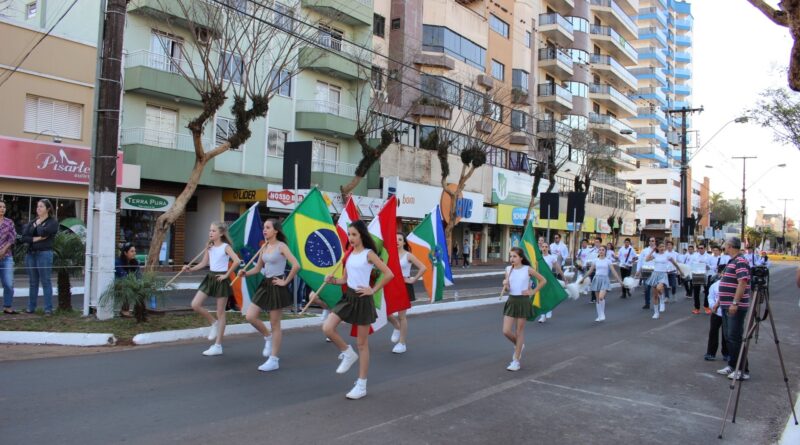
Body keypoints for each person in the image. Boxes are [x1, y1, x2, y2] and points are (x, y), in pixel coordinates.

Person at [320, 220, 395, 400]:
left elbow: (389, 274)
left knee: (362, 344)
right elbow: (345, 280)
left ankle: (361, 385)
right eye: (349, 235)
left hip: (363, 299)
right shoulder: (349, 254)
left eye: (354, 234)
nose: (351, 238)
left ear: (361, 235)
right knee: (327, 328)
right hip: (348, 297)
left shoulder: (369, 254)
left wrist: (373, 289)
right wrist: (332, 280)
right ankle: (347, 352)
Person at [239, 219, 300, 372]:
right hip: (264, 284)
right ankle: (267, 336)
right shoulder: (264, 246)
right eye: (264, 227)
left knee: (275, 324)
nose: (264, 230)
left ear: (276, 231)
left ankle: (274, 359)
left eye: (268, 228)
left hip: (276, 285)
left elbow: (296, 265)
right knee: (250, 316)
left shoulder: (282, 246)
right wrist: (245, 273)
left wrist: (285, 282)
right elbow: (258, 268)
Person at [185, 222, 242, 357]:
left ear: (221, 233)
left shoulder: (225, 247)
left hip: (221, 278)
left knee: (221, 312)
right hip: (210, 277)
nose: (210, 233)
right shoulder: (209, 246)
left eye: (213, 231)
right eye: (210, 230)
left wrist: (227, 275)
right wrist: (190, 268)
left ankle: (218, 346)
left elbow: (237, 261)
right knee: (195, 304)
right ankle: (213, 323)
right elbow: (204, 263)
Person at [501, 247, 547, 371]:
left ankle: (516, 361)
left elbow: (543, 280)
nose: (512, 259)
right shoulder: (508, 269)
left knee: (519, 331)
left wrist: (532, 292)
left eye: (515, 256)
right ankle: (519, 345)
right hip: (512, 300)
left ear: (521, 257)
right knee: (505, 331)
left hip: (523, 301)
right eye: (511, 256)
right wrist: (505, 285)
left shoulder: (527, 269)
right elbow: (508, 289)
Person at [716, 237, 752, 381]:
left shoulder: (740, 261)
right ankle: (732, 365)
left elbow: (742, 282)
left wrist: (735, 303)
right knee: (728, 337)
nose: (724, 247)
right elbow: (726, 282)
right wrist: (719, 302)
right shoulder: (732, 261)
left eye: (725, 245)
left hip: (735, 307)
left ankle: (742, 369)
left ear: (730, 246)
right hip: (726, 305)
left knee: (735, 337)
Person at [388, 232, 427, 354]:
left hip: (404, 286)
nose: (397, 241)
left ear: (404, 242)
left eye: (400, 239)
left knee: (401, 316)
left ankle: (402, 343)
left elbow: (423, 267)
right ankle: (396, 327)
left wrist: (413, 279)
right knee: (385, 311)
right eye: (395, 239)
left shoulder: (408, 255)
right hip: (391, 285)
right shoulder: (389, 254)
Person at [20, 199, 59, 315]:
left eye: (41, 206)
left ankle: (48, 309)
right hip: (31, 254)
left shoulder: (52, 222)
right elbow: (23, 237)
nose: (38, 209)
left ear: (48, 209)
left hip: (44, 254)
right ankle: (31, 307)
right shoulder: (33, 221)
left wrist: (38, 227)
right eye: (37, 207)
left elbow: (44, 233)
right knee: (33, 282)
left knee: (45, 281)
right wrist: (35, 238)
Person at [640, 242, 681, 320]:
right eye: (660, 246)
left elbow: (675, 264)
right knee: (655, 295)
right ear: (657, 248)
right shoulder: (655, 255)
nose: (662, 248)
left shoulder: (667, 255)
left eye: (663, 246)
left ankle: (662, 299)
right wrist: (652, 251)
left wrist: (681, 272)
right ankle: (656, 313)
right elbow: (646, 259)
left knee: (659, 288)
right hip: (655, 274)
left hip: (663, 275)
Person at [585, 246, 623, 322]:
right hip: (597, 279)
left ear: (605, 251)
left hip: (605, 279)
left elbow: (613, 271)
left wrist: (620, 281)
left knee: (601, 297)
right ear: (598, 251)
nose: (601, 251)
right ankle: (599, 315)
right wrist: (583, 278)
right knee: (597, 299)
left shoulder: (608, 261)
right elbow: (590, 271)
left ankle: (602, 314)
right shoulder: (595, 260)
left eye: (603, 250)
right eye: (600, 250)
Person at [705, 265, 729, 362]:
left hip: (727, 313)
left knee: (726, 334)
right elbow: (710, 297)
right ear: (719, 274)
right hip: (716, 313)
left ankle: (726, 353)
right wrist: (712, 306)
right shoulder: (714, 285)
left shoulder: (732, 286)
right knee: (713, 333)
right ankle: (711, 353)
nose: (725, 274)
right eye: (723, 272)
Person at [536, 242, 562, 323]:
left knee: (548, 296)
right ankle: (542, 316)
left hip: (548, 279)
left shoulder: (551, 258)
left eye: (546, 247)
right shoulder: (538, 258)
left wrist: (564, 277)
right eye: (543, 247)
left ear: (548, 248)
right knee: (541, 297)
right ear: (541, 248)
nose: (544, 248)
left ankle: (549, 310)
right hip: (540, 280)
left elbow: (558, 268)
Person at [0, 200, 17, 314]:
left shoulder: (9, 222)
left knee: (8, 283)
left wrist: (3, 251)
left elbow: (12, 238)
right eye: (0, 207)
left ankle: (7, 306)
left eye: (4, 207)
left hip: (6, 257)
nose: (2, 209)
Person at [115, 242, 140, 317]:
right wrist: (134, 282)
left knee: (143, 286)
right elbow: (122, 275)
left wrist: (140, 282)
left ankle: (139, 310)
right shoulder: (118, 262)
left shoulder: (135, 262)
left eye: (135, 251)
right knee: (128, 286)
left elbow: (139, 275)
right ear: (125, 253)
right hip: (118, 284)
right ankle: (124, 310)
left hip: (131, 282)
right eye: (132, 251)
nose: (134, 253)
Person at [637, 237, 657, 309]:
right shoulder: (644, 250)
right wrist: (638, 271)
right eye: (650, 241)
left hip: (655, 271)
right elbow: (640, 261)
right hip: (646, 271)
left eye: (653, 241)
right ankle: (647, 303)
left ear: (655, 242)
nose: (651, 242)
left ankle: (657, 303)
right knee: (646, 288)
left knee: (656, 288)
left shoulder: (657, 251)